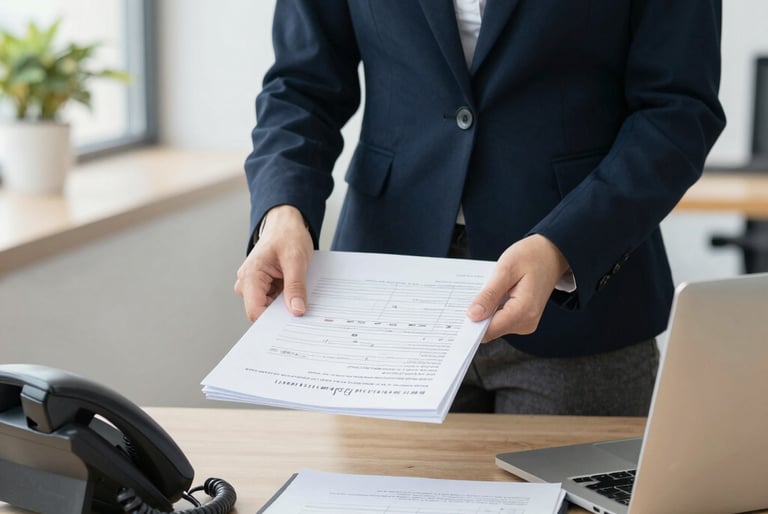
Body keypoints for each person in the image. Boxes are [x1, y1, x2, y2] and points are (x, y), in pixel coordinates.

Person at [235, 1, 726, 415]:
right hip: (387, 290)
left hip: (580, 302)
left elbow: (678, 112)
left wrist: (565, 245)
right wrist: (283, 209)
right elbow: (301, 86)